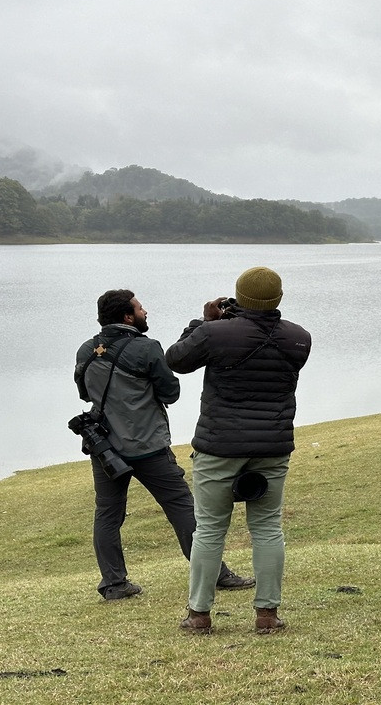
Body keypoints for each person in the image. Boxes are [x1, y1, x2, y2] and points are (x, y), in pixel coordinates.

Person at [74, 290, 254, 600]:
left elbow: (85, 394)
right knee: (182, 508)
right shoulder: (146, 348)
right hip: (149, 446)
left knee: (107, 514)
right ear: (128, 317)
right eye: (141, 308)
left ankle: (114, 584)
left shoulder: (87, 350)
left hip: (104, 447)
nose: (146, 312)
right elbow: (171, 393)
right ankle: (215, 575)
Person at [165, 267, 312, 634]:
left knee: (211, 529)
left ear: (239, 297)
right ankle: (267, 614)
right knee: (266, 528)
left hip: (219, 445)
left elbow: (176, 360)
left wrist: (202, 322)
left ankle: (199, 615)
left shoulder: (214, 334)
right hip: (272, 445)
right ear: (278, 298)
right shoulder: (300, 339)